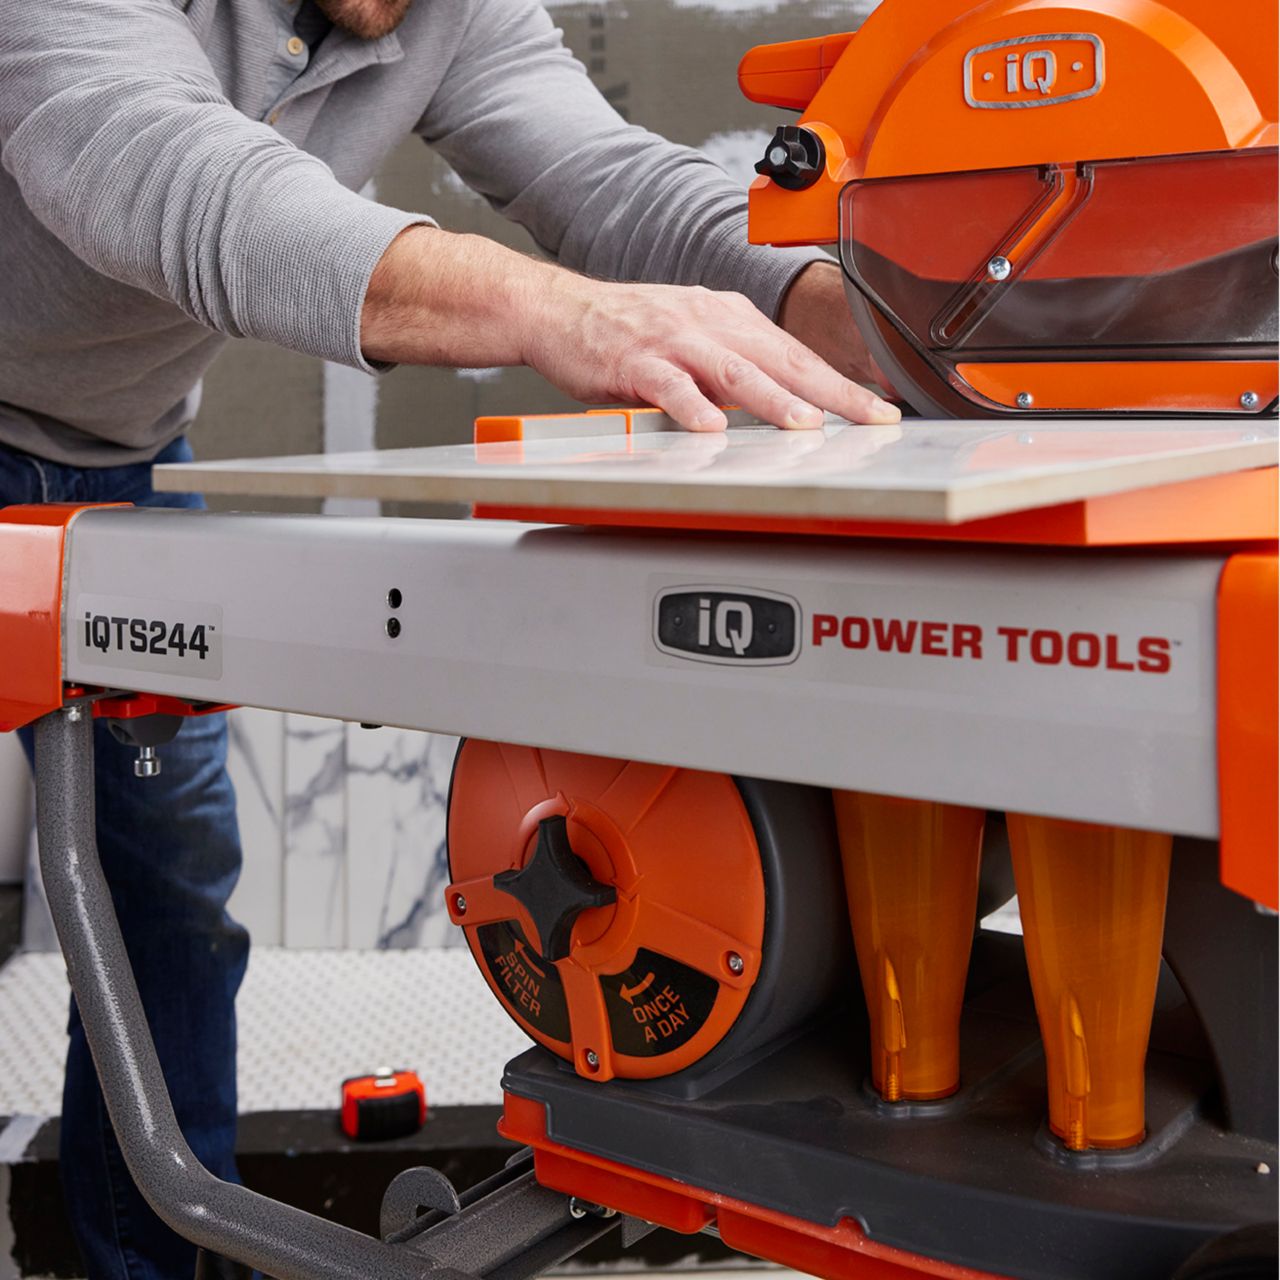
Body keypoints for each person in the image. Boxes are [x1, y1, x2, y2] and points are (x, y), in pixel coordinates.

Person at [0, 2, 898, 1276]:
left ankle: (138, 1264)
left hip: (117, 460)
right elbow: (164, 170)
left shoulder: (451, 10)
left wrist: (843, 309)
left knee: (165, 905)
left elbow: (610, 180)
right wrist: (557, 313)